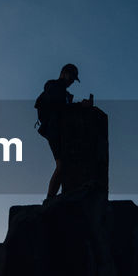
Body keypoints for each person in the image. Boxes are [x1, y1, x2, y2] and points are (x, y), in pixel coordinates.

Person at [36, 63, 91, 200]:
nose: (72, 81)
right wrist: (80, 105)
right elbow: (60, 108)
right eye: (71, 77)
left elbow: (63, 108)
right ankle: (49, 199)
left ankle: (55, 197)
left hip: (58, 130)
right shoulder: (54, 86)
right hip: (54, 129)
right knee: (62, 165)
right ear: (64, 73)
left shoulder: (60, 90)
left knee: (66, 164)